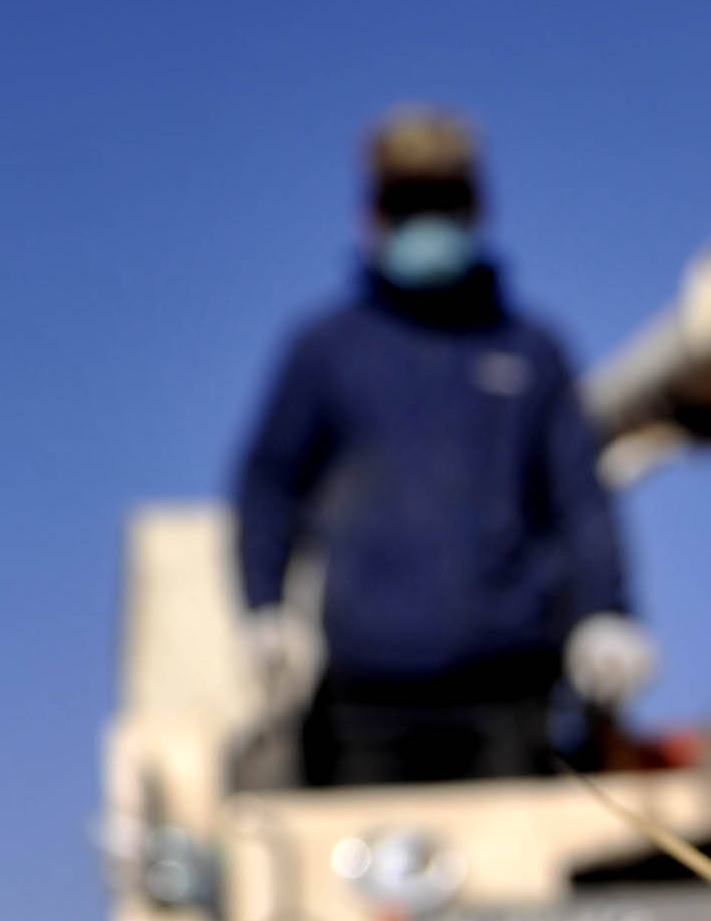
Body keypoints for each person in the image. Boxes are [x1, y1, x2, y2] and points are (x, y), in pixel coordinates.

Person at [232, 108, 657, 788]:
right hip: (364, 700)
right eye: (407, 204)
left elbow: (580, 497)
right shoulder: (326, 352)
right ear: (370, 216)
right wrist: (264, 607)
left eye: (442, 202)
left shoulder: (531, 351)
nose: (425, 221)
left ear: (476, 208)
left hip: (511, 695)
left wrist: (607, 612)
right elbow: (269, 482)